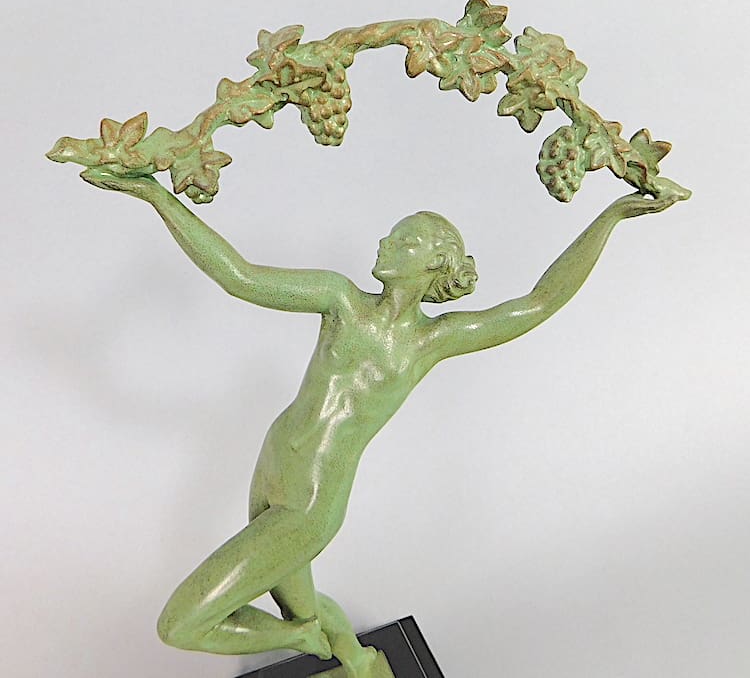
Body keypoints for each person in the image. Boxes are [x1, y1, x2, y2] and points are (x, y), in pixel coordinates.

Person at [80, 167, 682, 677]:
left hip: (308, 503)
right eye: (393, 233)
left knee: (182, 625)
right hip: (270, 470)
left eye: (406, 239)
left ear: (436, 263)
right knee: (298, 598)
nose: (387, 241)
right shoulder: (339, 299)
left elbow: (539, 302)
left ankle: (302, 639)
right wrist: (156, 195)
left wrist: (613, 216)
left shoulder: (431, 341)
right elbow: (238, 276)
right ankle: (361, 663)